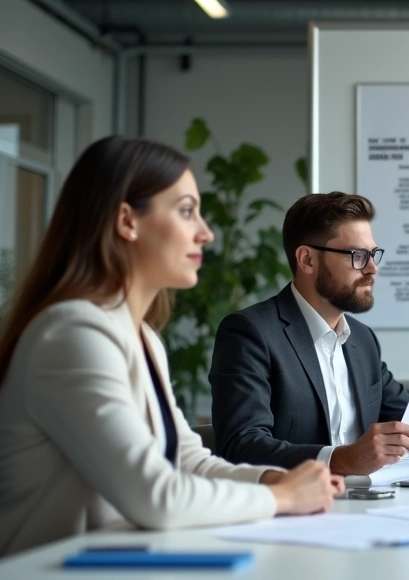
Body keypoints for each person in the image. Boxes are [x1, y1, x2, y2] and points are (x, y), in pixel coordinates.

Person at [0, 136, 343, 556]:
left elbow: (187, 461)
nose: (206, 233)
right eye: (186, 211)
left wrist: (270, 479)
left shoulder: (141, 337)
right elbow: (156, 495)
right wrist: (283, 498)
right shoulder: (71, 333)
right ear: (127, 221)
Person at [210, 192, 409, 475]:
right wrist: (343, 459)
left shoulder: (363, 341)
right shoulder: (250, 333)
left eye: (373, 254)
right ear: (307, 260)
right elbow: (241, 445)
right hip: (293, 508)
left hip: (365, 505)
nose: (373, 268)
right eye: (358, 256)